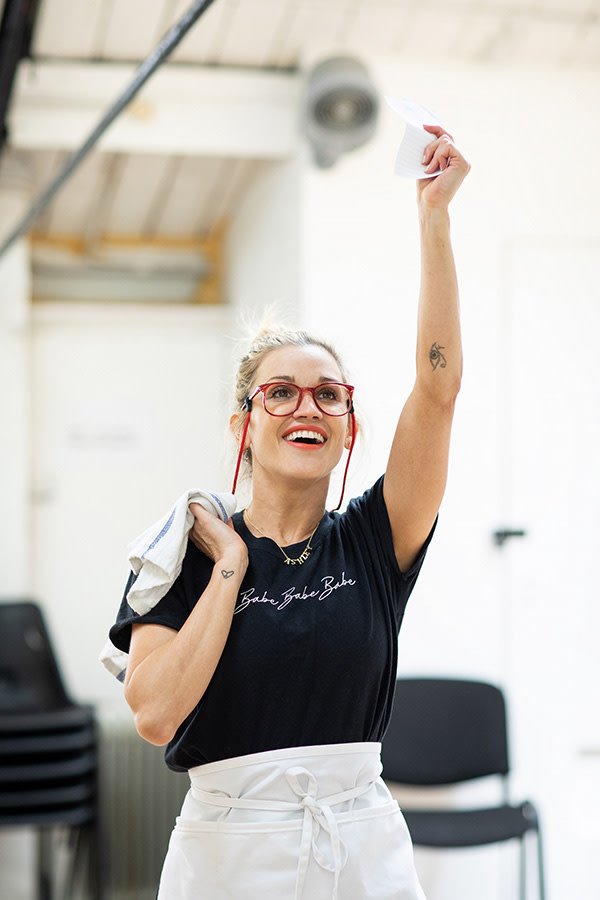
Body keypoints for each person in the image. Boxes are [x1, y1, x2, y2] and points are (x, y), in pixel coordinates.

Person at [108, 124, 470, 899]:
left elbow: (436, 392)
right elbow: (157, 714)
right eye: (280, 391)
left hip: (359, 849)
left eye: (328, 394)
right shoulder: (189, 547)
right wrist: (231, 567)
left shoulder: (376, 538)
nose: (306, 406)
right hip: (227, 855)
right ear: (244, 424)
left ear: (348, 429)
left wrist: (433, 221)